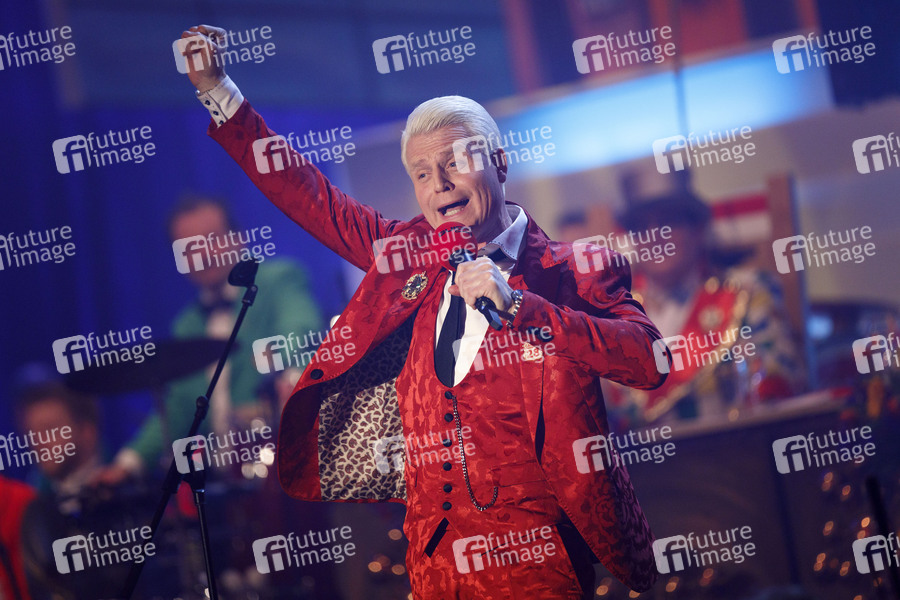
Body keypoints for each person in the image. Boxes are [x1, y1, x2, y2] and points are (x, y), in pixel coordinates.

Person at [179, 24, 669, 599]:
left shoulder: (573, 269)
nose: (439, 185)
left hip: (537, 563)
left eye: (456, 163)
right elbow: (308, 195)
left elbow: (649, 360)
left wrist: (523, 307)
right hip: (434, 564)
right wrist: (219, 92)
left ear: (500, 162)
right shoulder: (407, 258)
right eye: (421, 174)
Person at [98, 195, 325, 481]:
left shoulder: (279, 280)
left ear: (238, 239)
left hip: (288, 464)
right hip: (224, 482)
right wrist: (126, 464)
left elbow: (299, 332)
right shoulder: (186, 324)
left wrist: (283, 379)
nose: (203, 254)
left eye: (212, 239)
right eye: (189, 248)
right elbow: (177, 410)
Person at [607, 190, 805, 425]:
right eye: (641, 229)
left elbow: (777, 385)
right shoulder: (615, 318)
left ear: (697, 230)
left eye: (668, 223)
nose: (654, 237)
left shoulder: (747, 292)